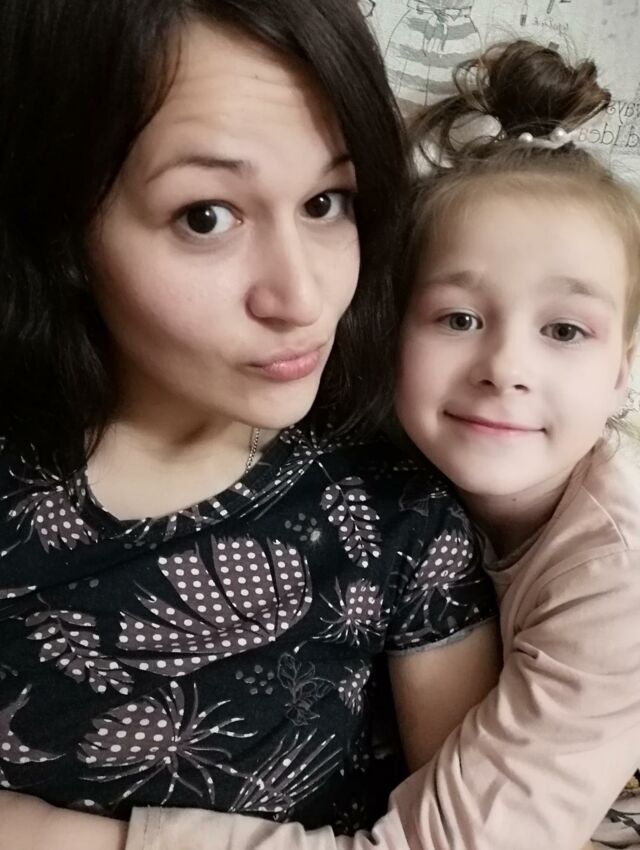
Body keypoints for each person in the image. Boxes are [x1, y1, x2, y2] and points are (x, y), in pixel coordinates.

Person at [85, 39, 640, 850]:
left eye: (564, 331)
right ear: (385, 325)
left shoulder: (617, 590)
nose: (505, 369)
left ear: (624, 369)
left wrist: (83, 840)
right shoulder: (368, 455)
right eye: (458, 318)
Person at [0, 1, 500, 848]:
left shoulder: (396, 521)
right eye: (206, 216)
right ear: (63, 225)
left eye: (327, 202)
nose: (301, 299)